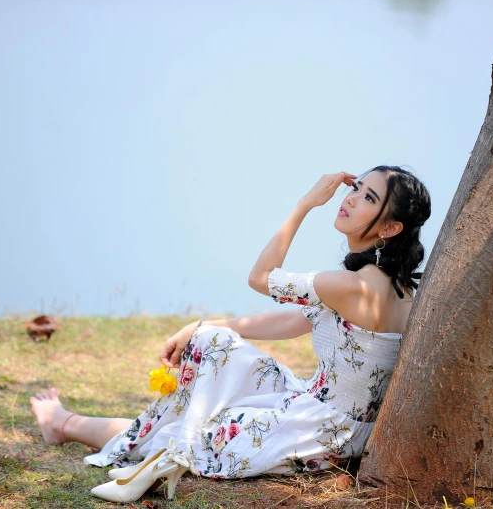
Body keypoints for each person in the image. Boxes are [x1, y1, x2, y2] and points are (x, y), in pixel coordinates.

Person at [30, 165, 431, 501]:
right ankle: (67, 423)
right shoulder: (395, 289)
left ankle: (64, 424)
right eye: (357, 187)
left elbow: (260, 278)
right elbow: (290, 322)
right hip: (336, 425)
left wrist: (305, 204)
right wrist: (202, 326)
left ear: (391, 228)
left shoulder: (352, 286)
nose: (351, 197)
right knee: (214, 343)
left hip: (319, 432)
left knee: (186, 435)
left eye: (369, 198)